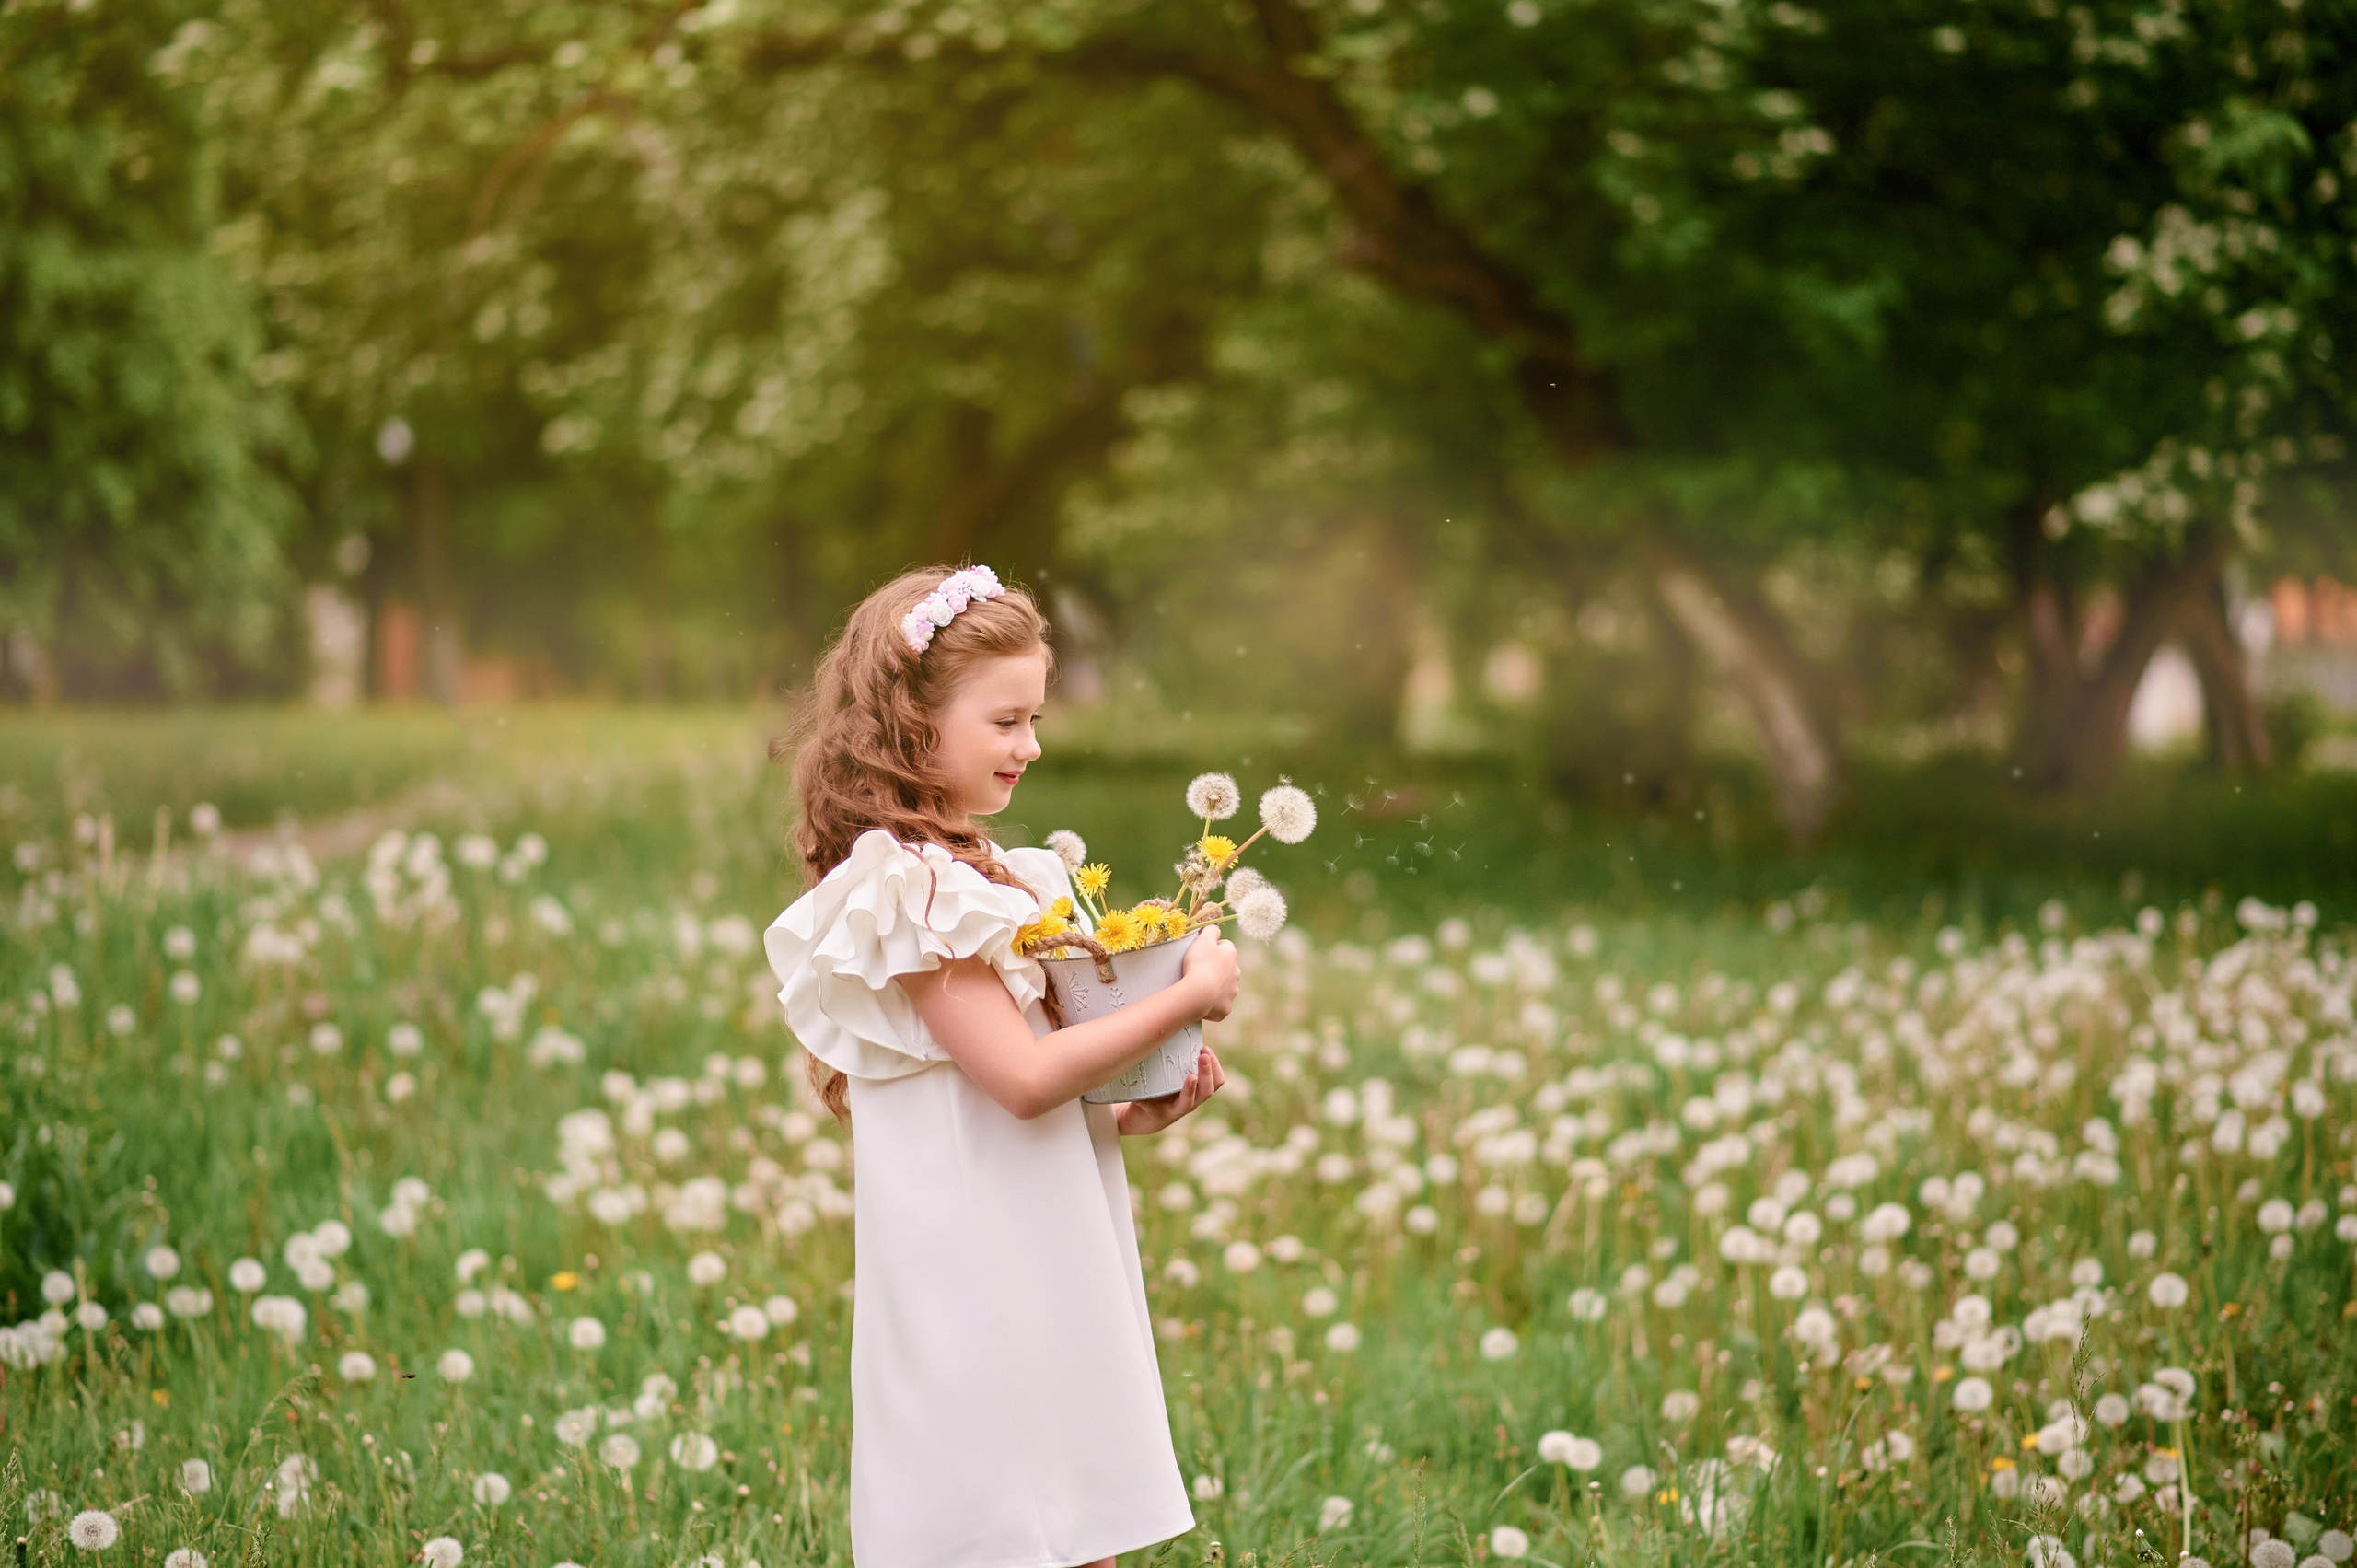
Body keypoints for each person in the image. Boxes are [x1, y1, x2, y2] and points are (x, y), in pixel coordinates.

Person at [763, 563, 1240, 1568]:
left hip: (1036, 1246)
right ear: (910, 723)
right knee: (1003, 1526)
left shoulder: (998, 876)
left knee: (1070, 1529)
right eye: (1005, 720)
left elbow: (1018, 1103)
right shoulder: (911, 889)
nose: (1031, 744)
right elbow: (1019, 1077)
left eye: (1034, 718)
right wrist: (1186, 993)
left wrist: (1127, 1116)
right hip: (975, 1280)